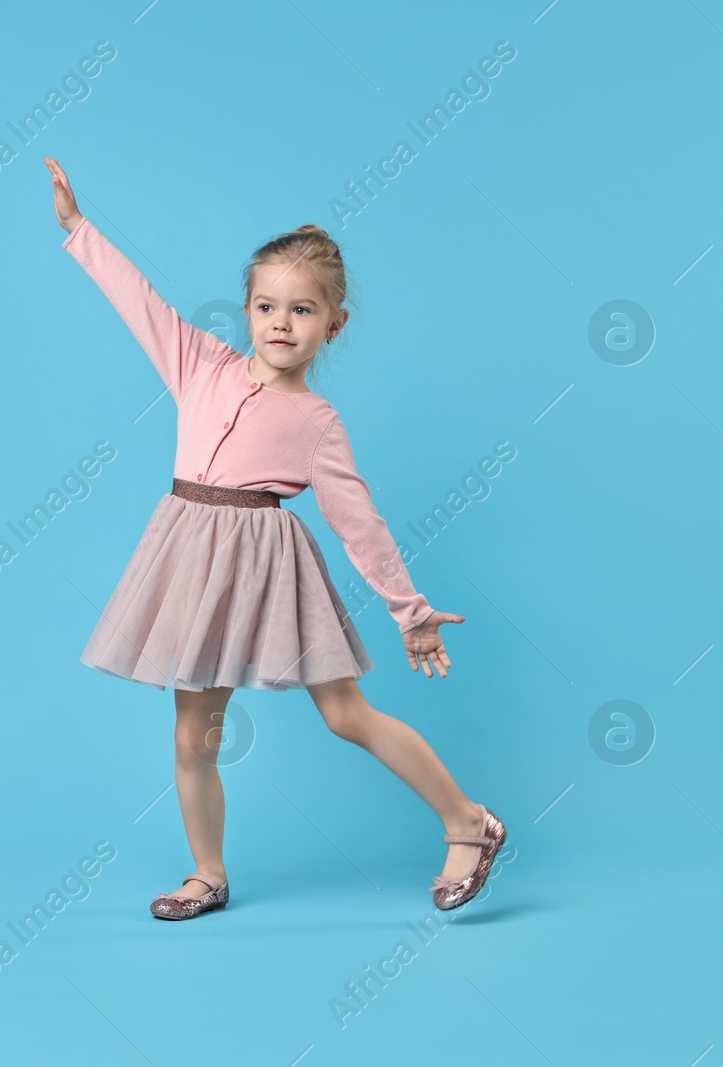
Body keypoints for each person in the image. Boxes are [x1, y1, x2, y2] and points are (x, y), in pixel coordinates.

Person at [45, 156, 506, 921]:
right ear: (248, 311)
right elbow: (141, 302)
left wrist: (410, 611)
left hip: (267, 566)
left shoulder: (317, 423)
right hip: (190, 557)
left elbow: (360, 521)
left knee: (345, 714)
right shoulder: (199, 363)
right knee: (193, 728)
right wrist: (78, 228)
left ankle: (469, 821)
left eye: (301, 311)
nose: (281, 324)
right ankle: (207, 873)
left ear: (334, 323)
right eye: (266, 307)